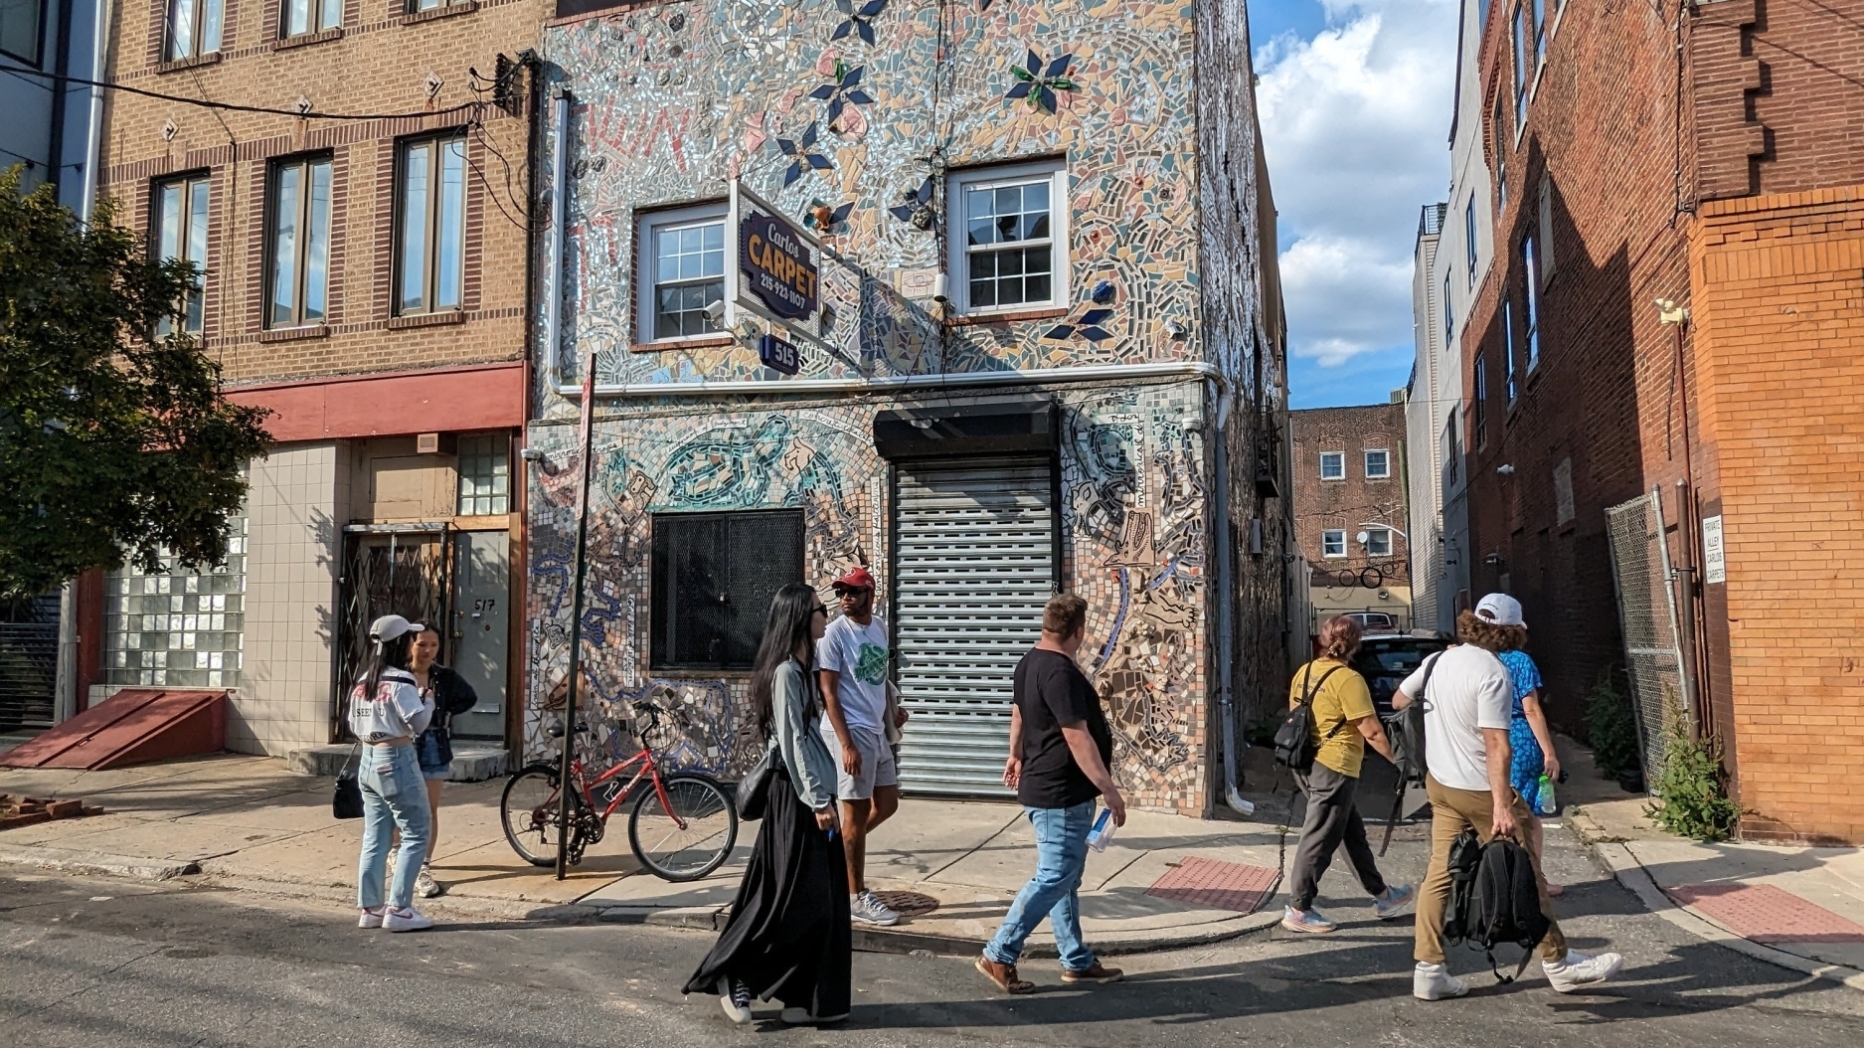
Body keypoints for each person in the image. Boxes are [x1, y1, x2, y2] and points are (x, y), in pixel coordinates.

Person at [1393, 599, 1622, 1001]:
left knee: (1439, 874)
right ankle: (1560, 964)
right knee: (1525, 873)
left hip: (1441, 784)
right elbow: (1497, 746)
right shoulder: (1494, 673)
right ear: (1512, 632)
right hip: (1481, 789)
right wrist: (1501, 804)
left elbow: (1399, 701)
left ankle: (1428, 970)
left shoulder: (1438, 662)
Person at [685, 583, 850, 1026]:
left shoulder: (803, 668)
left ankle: (803, 996)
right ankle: (735, 973)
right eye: (820, 609)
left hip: (812, 794)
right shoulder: (785, 674)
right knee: (786, 899)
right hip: (795, 798)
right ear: (801, 617)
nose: (826, 615)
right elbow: (793, 742)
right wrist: (818, 800)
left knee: (821, 902)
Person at [976, 594, 1125, 995]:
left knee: (1065, 878)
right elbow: (1077, 737)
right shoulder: (1060, 673)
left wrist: (1013, 753)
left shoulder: (1029, 662)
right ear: (1078, 631)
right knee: (1055, 875)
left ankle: (1075, 959)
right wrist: (1109, 790)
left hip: (1050, 787)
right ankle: (999, 952)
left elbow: (1020, 713)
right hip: (1059, 792)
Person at [1281, 615, 1416, 934]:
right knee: (1319, 836)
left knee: (1348, 832)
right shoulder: (1348, 679)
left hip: (1305, 761)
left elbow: (1295, 714)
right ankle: (1299, 908)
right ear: (1355, 644)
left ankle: (1383, 895)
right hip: (1335, 766)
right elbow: (1371, 731)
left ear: (1324, 640)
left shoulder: (1305, 671)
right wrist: (1403, 763)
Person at [816, 566, 909, 927]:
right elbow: (829, 692)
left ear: (870, 594)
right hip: (849, 731)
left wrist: (892, 710)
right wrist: (846, 744)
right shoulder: (834, 635)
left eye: (853, 592)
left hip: (875, 730)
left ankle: (837, 855)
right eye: (842, 592)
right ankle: (855, 896)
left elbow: (877, 678)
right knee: (852, 816)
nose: (845, 598)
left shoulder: (879, 626)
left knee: (887, 803)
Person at [349, 614, 437, 932]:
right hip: (396, 758)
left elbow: (352, 723)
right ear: (400, 642)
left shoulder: (363, 681)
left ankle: (371, 908)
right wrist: (428, 703)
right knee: (416, 833)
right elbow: (418, 723)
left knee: (375, 837)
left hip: (368, 760)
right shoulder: (401, 680)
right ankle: (400, 908)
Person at [1485, 594, 1565, 896]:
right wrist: (1549, 752)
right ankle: (1533, 880)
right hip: (1519, 738)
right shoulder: (1520, 662)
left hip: (1487, 737)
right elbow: (1530, 709)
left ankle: (1497, 880)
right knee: (1528, 815)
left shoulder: (1480, 660)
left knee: (1495, 809)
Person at [398, 628, 478, 899]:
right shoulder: (399, 674)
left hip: (434, 741)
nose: (428, 650)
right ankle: (397, 853)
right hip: (403, 743)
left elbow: (469, 697)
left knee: (428, 808)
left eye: (433, 645)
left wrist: (442, 710)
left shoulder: (444, 676)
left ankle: (423, 865)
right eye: (422, 644)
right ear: (410, 644)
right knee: (401, 805)